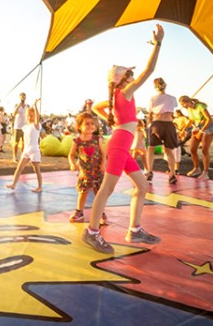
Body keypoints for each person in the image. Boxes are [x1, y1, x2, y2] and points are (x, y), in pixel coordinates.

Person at [82, 24, 164, 253]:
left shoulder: (117, 95)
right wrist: (158, 44)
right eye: (130, 75)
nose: (134, 77)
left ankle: (134, 230)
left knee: (142, 186)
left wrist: (112, 119)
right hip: (119, 144)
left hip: (122, 144)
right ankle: (91, 232)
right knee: (106, 189)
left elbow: (97, 108)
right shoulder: (125, 92)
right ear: (123, 79)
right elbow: (149, 70)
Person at [68, 112, 107, 223]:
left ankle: (101, 213)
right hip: (85, 172)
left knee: (98, 193)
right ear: (79, 126)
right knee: (83, 192)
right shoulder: (77, 141)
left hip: (97, 171)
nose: (91, 126)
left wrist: (103, 164)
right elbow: (71, 154)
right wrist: (72, 163)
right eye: (87, 124)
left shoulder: (97, 139)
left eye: (92, 123)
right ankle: (79, 212)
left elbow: (103, 153)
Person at [146, 77, 180, 184]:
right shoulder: (172, 98)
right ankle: (172, 174)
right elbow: (172, 111)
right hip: (169, 124)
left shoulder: (153, 99)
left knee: (151, 149)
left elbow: (150, 113)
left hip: (157, 123)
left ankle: (149, 171)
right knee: (169, 150)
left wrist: (149, 124)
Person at [6, 98, 43, 192]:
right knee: (19, 168)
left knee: (36, 169)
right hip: (26, 150)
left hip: (34, 150)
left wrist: (35, 105)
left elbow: (37, 117)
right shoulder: (25, 127)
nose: (30, 117)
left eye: (32, 116)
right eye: (28, 116)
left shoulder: (36, 125)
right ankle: (13, 184)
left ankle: (40, 187)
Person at [179, 96, 213, 179]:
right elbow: (191, 120)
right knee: (192, 150)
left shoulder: (200, 106)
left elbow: (209, 119)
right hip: (197, 127)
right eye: (182, 105)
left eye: (184, 104)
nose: (183, 106)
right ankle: (196, 168)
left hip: (207, 127)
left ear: (188, 102)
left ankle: (205, 173)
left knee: (204, 150)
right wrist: (184, 129)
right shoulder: (189, 109)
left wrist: (201, 131)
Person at [12, 93, 28, 162]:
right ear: (19, 98)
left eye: (24, 97)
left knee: (24, 142)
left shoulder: (27, 106)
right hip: (17, 127)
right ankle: (14, 156)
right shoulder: (17, 105)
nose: (23, 98)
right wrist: (19, 105)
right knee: (16, 142)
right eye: (21, 97)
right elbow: (14, 114)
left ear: (25, 97)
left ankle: (22, 156)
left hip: (25, 127)